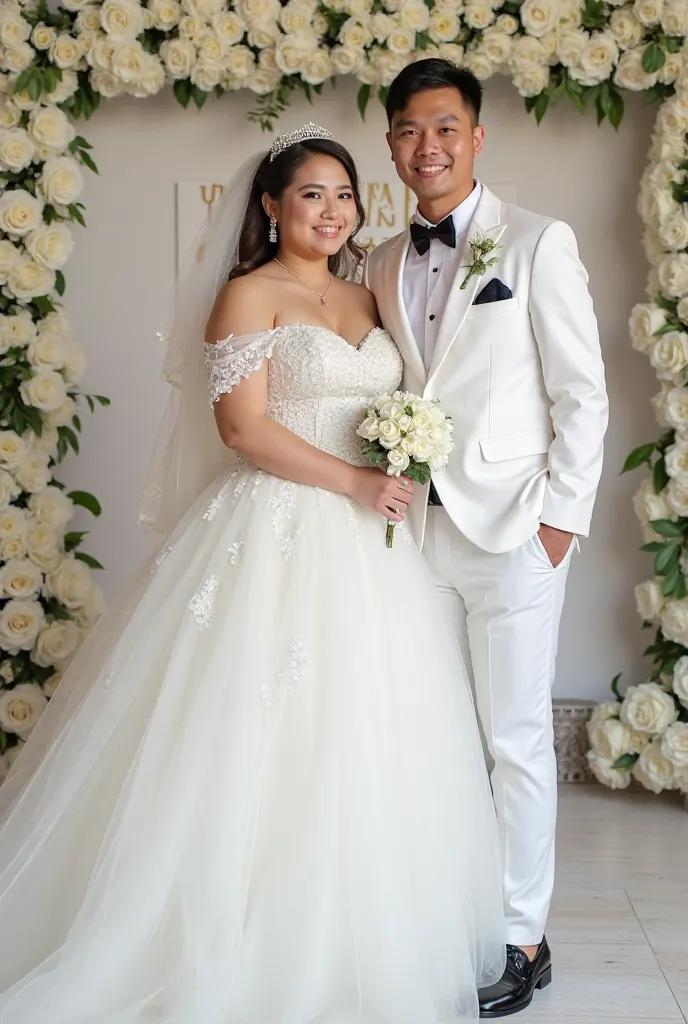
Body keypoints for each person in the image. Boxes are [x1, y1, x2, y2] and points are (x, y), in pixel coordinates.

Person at [0, 124, 505, 1022]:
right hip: (273, 530)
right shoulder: (246, 295)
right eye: (311, 194)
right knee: (246, 736)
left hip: (369, 553)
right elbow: (242, 428)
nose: (332, 210)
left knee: (368, 739)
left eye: (344, 194)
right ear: (271, 207)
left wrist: (405, 457)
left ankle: (357, 936)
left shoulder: (368, 294)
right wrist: (355, 478)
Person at [366, 60, 609, 1018]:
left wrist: (559, 522)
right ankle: (458, 915)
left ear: (475, 135)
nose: (427, 147)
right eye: (408, 131)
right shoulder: (383, 258)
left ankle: (521, 934)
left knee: (514, 742)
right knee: (435, 740)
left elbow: (582, 393)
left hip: (515, 531)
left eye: (445, 128)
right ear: (390, 143)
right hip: (415, 538)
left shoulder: (540, 244)